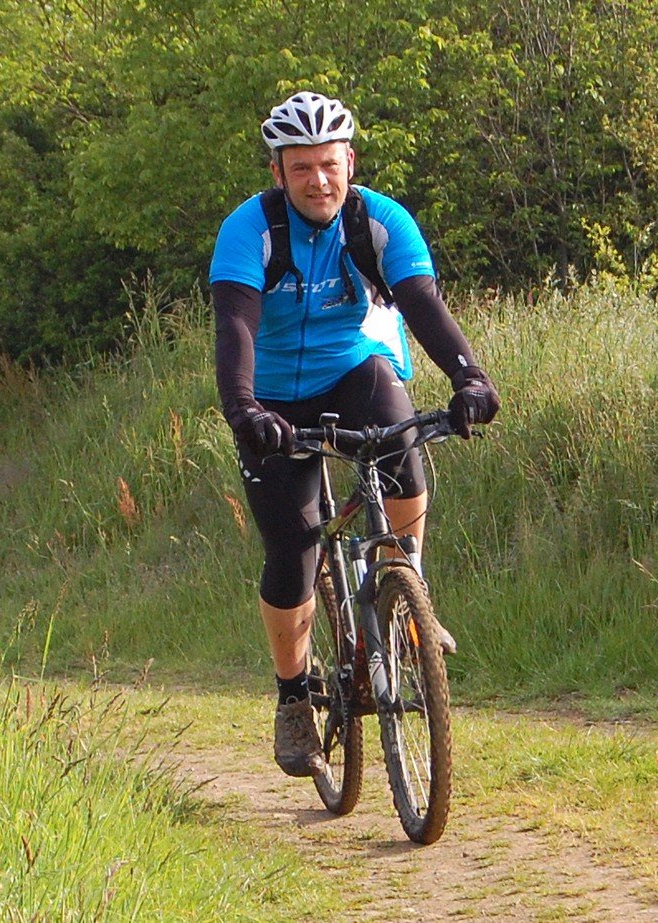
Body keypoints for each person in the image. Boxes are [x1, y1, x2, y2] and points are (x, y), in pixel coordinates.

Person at [210, 91, 500, 777]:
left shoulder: (380, 221)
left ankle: (406, 589)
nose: (318, 180)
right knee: (294, 549)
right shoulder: (250, 231)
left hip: (351, 369)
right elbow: (236, 326)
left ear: (350, 162)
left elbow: (422, 304)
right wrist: (244, 409)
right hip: (272, 396)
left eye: (329, 164)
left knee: (401, 438)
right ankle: (293, 698)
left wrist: (470, 379)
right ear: (278, 173)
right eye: (301, 167)